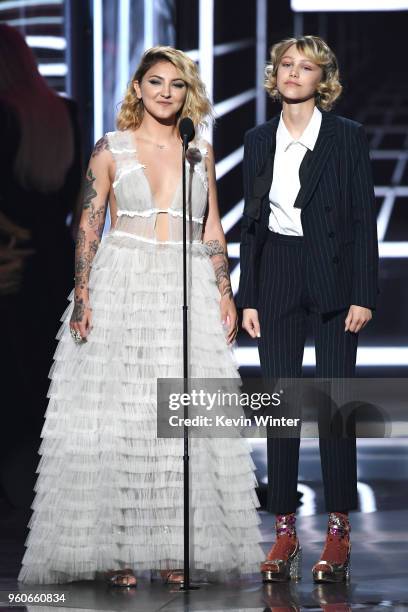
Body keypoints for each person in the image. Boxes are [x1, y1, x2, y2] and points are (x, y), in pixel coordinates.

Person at [18, 46, 264, 587]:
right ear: (137, 88)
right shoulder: (111, 149)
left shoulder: (198, 150)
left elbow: (214, 227)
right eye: (155, 82)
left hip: (187, 282)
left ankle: (176, 551)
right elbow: (88, 223)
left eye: (176, 85)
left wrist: (227, 293)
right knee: (122, 418)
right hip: (123, 279)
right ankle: (115, 552)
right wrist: (82, 292)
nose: (165, 92)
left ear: (187, 93)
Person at [237, 35, 379, 583]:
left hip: (335, 276)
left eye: (307, 67)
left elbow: (362, 216)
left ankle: (339, 529)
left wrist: (363, 291)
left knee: (336, 405)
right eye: (286, 65)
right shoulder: (257, 139)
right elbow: (253, 223)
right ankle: (285, 531)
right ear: (275, 74)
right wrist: (249, 294)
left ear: (325, 80)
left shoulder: (346, 137)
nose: (294, 73)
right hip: (276, 275)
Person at [0, 25, 81, 508]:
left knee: (13, 375)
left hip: (11, 253)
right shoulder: (64, 112)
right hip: (54, 256)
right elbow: (77, 196)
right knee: (47, 374)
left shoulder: (2, 114)